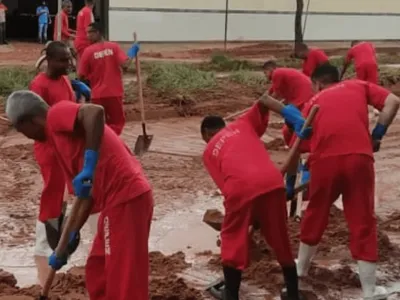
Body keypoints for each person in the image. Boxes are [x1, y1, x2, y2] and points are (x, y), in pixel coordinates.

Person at [6, 91, 154, 300]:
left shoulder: (56, 115)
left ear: (31, 120)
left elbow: (94, 112)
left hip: (126, 196)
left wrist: (90, 163)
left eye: (22, 130)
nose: (26, 136)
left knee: (124, 277)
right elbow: (84, 198)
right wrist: (66, 242)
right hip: (114, 203)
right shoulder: (58, 143)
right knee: (98, 268)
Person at [297, 64, 400, 300]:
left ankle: (300, 270)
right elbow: (393, 101)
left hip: (324, 162)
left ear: (318, 84)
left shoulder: (312, 103)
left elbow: (299, 144)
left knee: (315, 212)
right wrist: (376, 135)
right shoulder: (357, 85)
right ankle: (369, 291)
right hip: (359, 159)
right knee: (363, 219)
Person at [201, 90, 312, 300]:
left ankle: (230, 294)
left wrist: (246, 222)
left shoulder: (208, 153)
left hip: (241, 189)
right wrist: (293, 116)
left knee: (231, 238)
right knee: (280, 239)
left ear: (207, 134)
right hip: (272, 182)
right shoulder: (241, 125)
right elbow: (264, 100)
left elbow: (230, 191)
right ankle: (293, 293)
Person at [29, 41, 91, 287]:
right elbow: (39, 122)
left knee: (68, 190)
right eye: (63, 60)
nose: (69, 64)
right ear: (50, 61)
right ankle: (44, 243)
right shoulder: (39, 85)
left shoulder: (65, 80)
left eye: (69, 59)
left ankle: (62, 236)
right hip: (49, 146)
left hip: (65, 144)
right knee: (52, 191)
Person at [78, 22, 140, 135]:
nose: (87, 36)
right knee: (116, 124)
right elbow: (125, 65)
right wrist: (132, 52)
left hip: (97, 95)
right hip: (114, 93)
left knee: (98, 125)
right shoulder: (114, 47)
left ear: (97, 32)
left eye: (89, 33)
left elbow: (81, 75)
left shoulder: (88, 52)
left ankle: (102, 146)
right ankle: (113, 143)